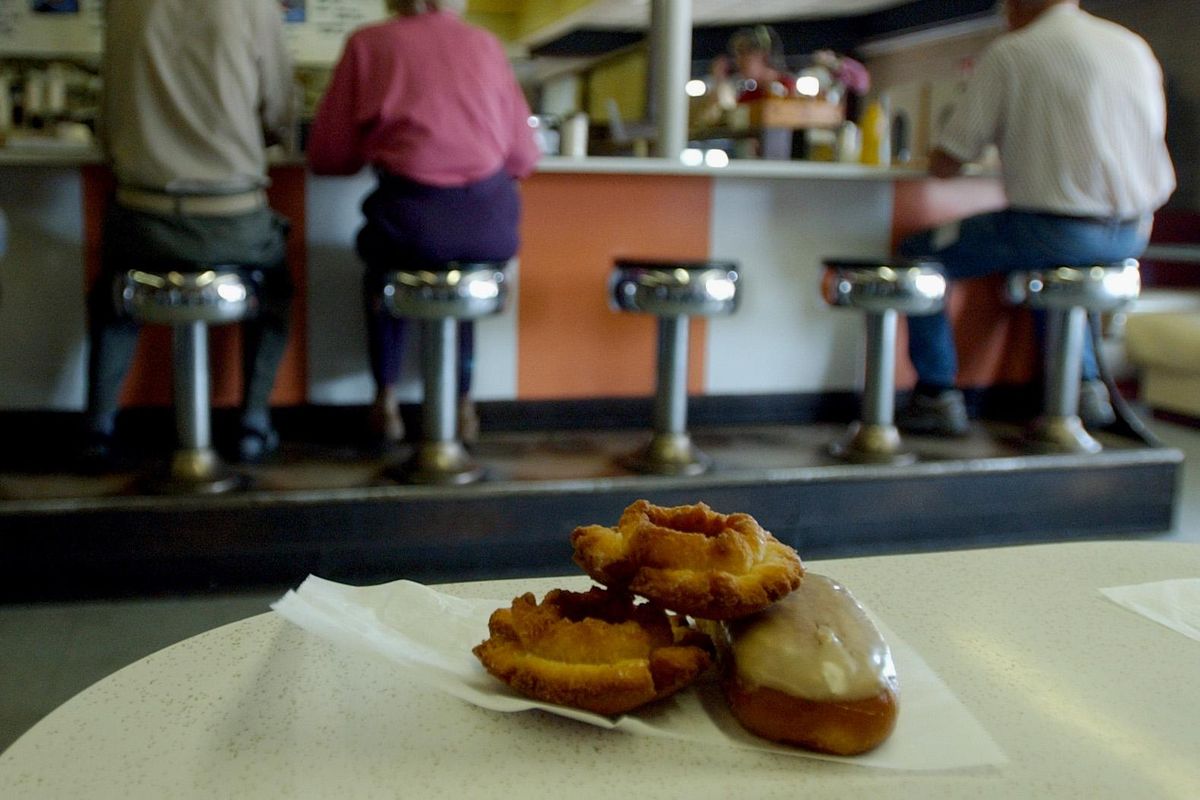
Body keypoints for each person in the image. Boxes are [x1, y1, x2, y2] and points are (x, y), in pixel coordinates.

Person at [897, 0, 1176, 436]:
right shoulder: (1131, 45)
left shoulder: (1014, 51)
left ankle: (935, 395)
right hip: (1133, 231)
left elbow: (949, 159)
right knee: (1054, 276)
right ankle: (1084, 390)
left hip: (1052, 228)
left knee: (918, 255)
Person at [307, 0, 538, 443]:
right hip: (488, 225)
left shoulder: (368, 44)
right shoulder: (487, 44)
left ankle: (385, 401)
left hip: (409, 221)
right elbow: (524, 157)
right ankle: (464, 406)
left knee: (388, 268)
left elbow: (328, 156)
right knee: (462, 277)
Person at [84, 0, 296, 467]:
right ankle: (253, 424)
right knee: (276, 291)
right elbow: (279, 112)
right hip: (232, 219)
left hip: (143, 216)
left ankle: (99, 427)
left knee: (113, 291)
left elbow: (107, 119)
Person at [728, 25, 795, 103]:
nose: (739, 62)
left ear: (763, 55)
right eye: (737, 56)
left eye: (745, 54)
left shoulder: (788, 87)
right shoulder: (749, 96)